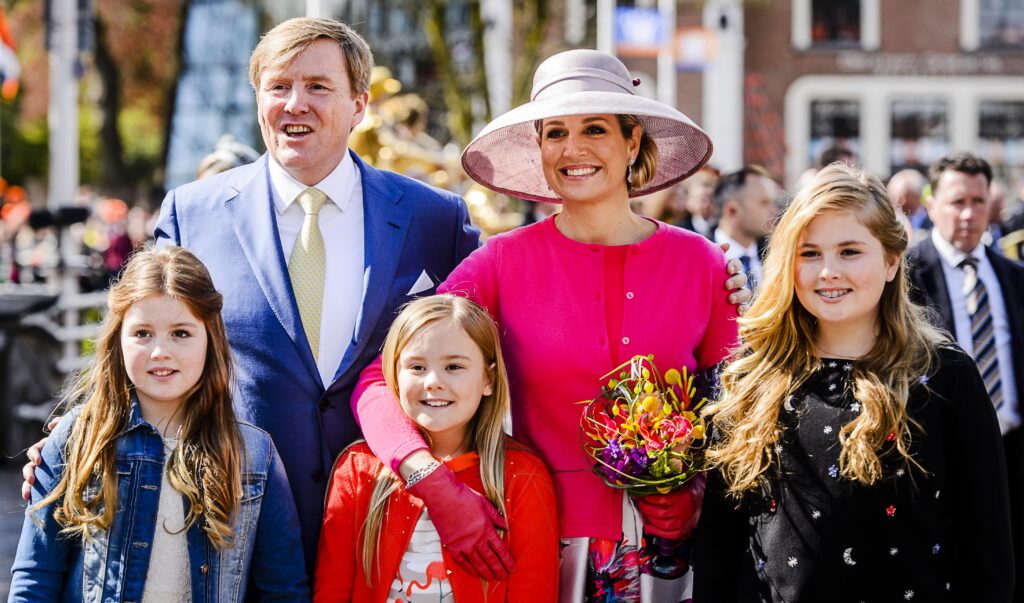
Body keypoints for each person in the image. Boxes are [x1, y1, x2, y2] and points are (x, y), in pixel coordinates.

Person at [15, 17, 489, 576]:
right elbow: (139, 340)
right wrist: (74, 435)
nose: (295, 104)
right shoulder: (192, 213)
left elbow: (486, 357)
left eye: (318, 86)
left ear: (359, 104)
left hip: (393, 526)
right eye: (278, 86)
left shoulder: (435, 219)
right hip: (233, 525)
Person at [354, 49, 740, 601]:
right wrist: (431, 482)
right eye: (556, 132)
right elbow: (381, 379)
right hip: (539, 545)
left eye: (595, 129)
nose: (572, 148)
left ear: (633, 141)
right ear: (539, 147)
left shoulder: (702, 263)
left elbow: (742, 408)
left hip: (675, 555)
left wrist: (700, 490)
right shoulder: (500, 263)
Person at [693, 164, 1014, 601]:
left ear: (891, 261)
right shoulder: (753, 374)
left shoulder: (944, 375)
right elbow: (720, 544)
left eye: (849, 251)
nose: (828, 271)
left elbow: (987, 549)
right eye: (809, 253)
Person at [9, 246, 309, 602]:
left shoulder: (253, 455)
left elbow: (283, 591)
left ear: (210, 338)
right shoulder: (77, 440)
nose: (160, 351)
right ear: (118, 339)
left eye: (181, 333)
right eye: (142, 333)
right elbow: (35, 580)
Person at [314, 295, 559, 600]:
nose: (432, 381)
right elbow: (332, 590)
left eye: (453, 366)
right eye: (417, 366)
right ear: (393, 376)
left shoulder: (522, 477)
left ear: (488, 379)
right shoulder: (357, 469)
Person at [905, 151, 1024, 598]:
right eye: (957, 202)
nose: (969, 214)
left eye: (978, 201)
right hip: (940, 451)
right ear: (931, 204)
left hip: (1012, 450)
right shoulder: (904, 276)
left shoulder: (1013, 276)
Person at [712, 165, 779, 290]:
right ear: (732, 211)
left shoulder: (776, 257)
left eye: (773, 202)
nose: (774, 211)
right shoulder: (700, 259)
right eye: (764, 203)